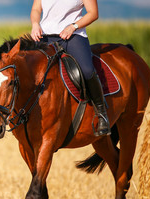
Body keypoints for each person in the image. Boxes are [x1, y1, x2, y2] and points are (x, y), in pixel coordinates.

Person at [30, 0, 110, 136]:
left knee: (87, 70)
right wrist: (35, 24)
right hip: (45, 38)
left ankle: (101, 113)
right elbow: (36, 9)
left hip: (73, 36)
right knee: (29, 71)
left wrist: (73, 26)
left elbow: (93, 13)